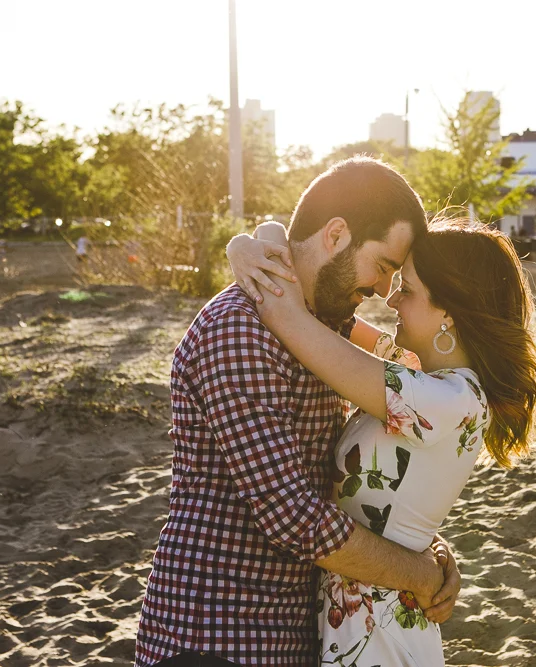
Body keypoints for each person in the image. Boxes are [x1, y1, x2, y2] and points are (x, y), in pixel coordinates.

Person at [135, 158, 461, 667]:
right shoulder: (238, 329)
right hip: (212, 635)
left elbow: (342, 476)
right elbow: (293, 516)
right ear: (335, 234)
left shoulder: (324, 327)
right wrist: (418, 574)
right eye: (383, 266)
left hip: (288, 635)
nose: (381, 290)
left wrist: (428, 546)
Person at [227, 216, 536, 666]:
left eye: (408, 290)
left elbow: (287, 314)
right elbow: (323, 311)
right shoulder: (417, 376)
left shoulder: (447, 400)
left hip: (379, 635)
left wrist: (252, 248)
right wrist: (250, 242)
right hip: (354, 622)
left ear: (449, 309)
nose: (390, 297)